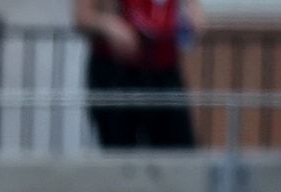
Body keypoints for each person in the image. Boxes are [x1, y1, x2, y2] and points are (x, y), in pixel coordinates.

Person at [76, 0, 199, 149]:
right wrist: (109, 25)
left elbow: (195, 16)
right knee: (119, 147)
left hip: (163, 66)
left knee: (177, 147)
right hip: (116, 68)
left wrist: (193, 18)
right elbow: (82, 17)